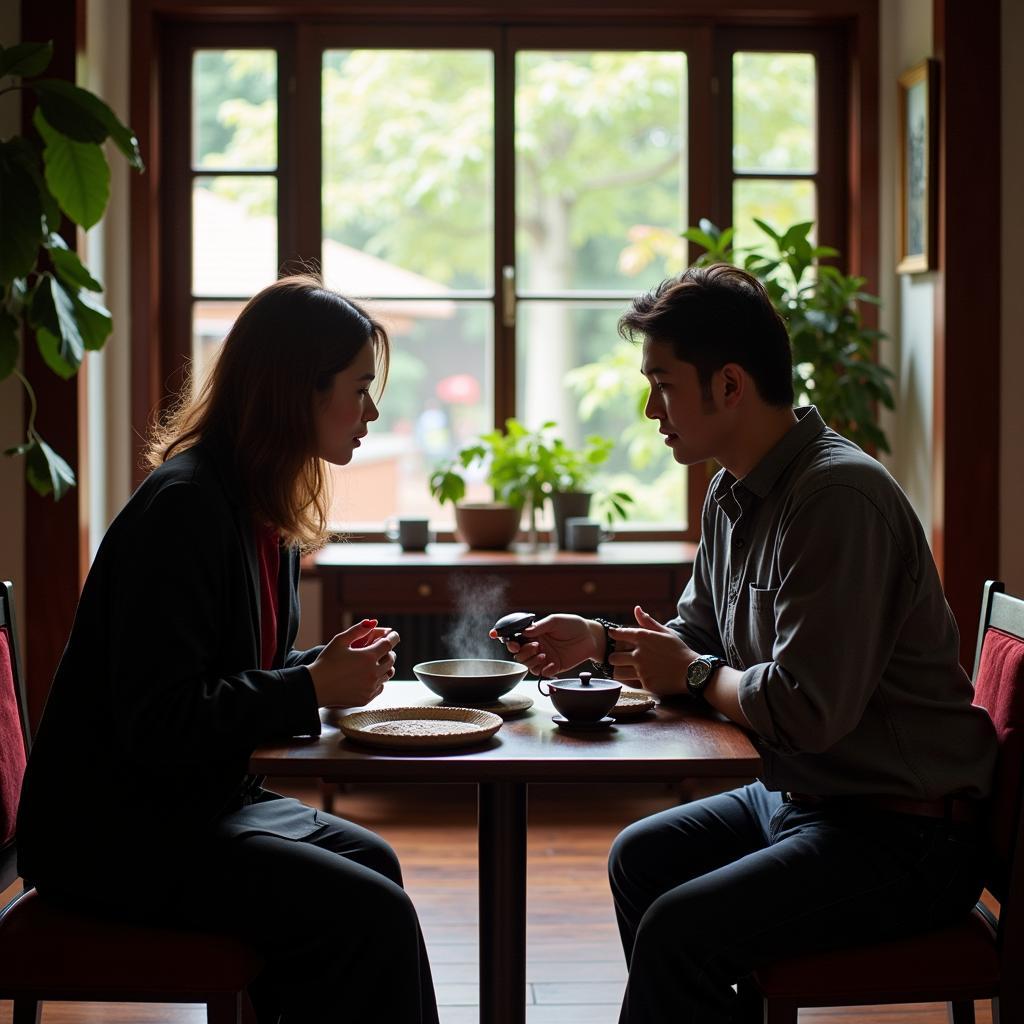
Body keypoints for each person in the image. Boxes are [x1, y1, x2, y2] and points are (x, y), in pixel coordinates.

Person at [495, 264, 997, 1024]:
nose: (648, 408)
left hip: (904, 834)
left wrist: (693, 674)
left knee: (678, 933)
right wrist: (598, 641)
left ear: (729, 385)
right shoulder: (734, 490)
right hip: (811, 797)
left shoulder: (836, 499)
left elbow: (804, 712)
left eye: (662, 384)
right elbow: (699, 637)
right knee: (641, 860)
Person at [17, 275, 439, 1024]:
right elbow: (162, 721)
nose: (371, 411)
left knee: (375, 866)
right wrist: (311, 690)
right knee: (372, 914)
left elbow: (228, 678)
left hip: (194, 804)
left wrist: (316, 668)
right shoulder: (185, 510)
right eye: (358, 388)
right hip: (118, 831)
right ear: (295, 392)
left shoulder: (259, 505)